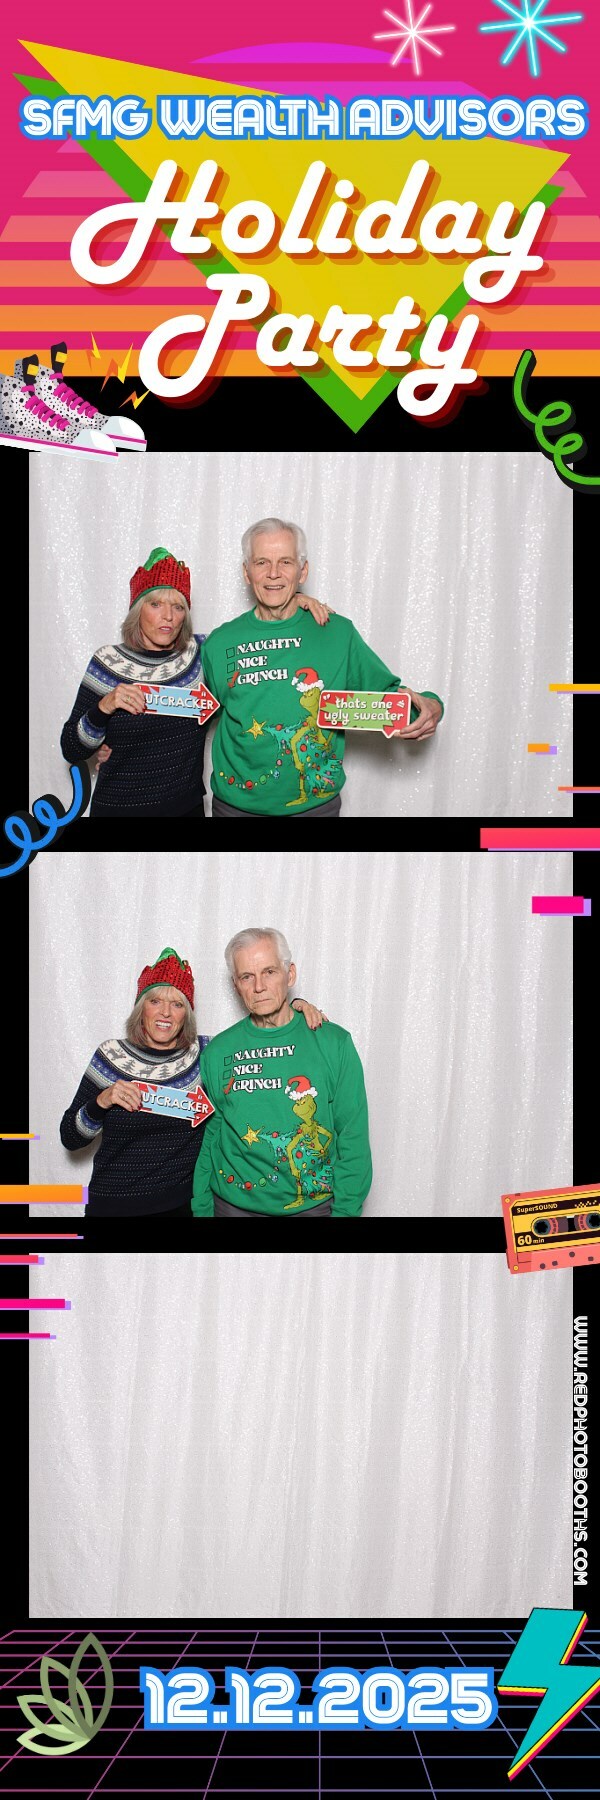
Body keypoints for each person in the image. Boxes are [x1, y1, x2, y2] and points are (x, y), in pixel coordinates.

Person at [60, 545, 330, 818]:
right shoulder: (108, 662)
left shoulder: (203, 653)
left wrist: (293, 602)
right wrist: (104, 708)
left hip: (186, 808)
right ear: (138, 609)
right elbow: (71, 749)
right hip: (119, 810)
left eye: (178, 607)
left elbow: (255, 642)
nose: (168, 616)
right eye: (156, 604)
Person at [202, 518, 444, 818]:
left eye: (285, 562)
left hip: (316, 808)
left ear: (302, 571)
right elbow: (192, 713)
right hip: (236, 809)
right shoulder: (220, 643)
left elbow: (391, 699)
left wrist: (432, 706)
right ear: (246, 572)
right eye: (262, 562)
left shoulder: (337, 633)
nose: (273, 573)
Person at [59, 946, 327, 1217]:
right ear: (141, 1008)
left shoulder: (208, 1053)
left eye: (177, 1004)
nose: (165, 1013)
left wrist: (297, 1007)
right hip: (113, 1206)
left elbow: (261, 1034)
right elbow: (70, 1138)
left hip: (181, 1206)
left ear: (186, 1014)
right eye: (155, 1001)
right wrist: (101, 1102)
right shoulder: (111, 1056)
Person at [192, 928, 372, 1217]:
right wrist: (201, 1207)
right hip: (230, 1206)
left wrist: (346, 1211)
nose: (259, 986)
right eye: (247, 976)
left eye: (269, 972)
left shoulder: (333, 1043)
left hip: (313, 1207)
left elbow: (353, 1137)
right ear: (236, 985)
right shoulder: (217, 1052)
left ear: (290, 975)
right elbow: (212, 1135)